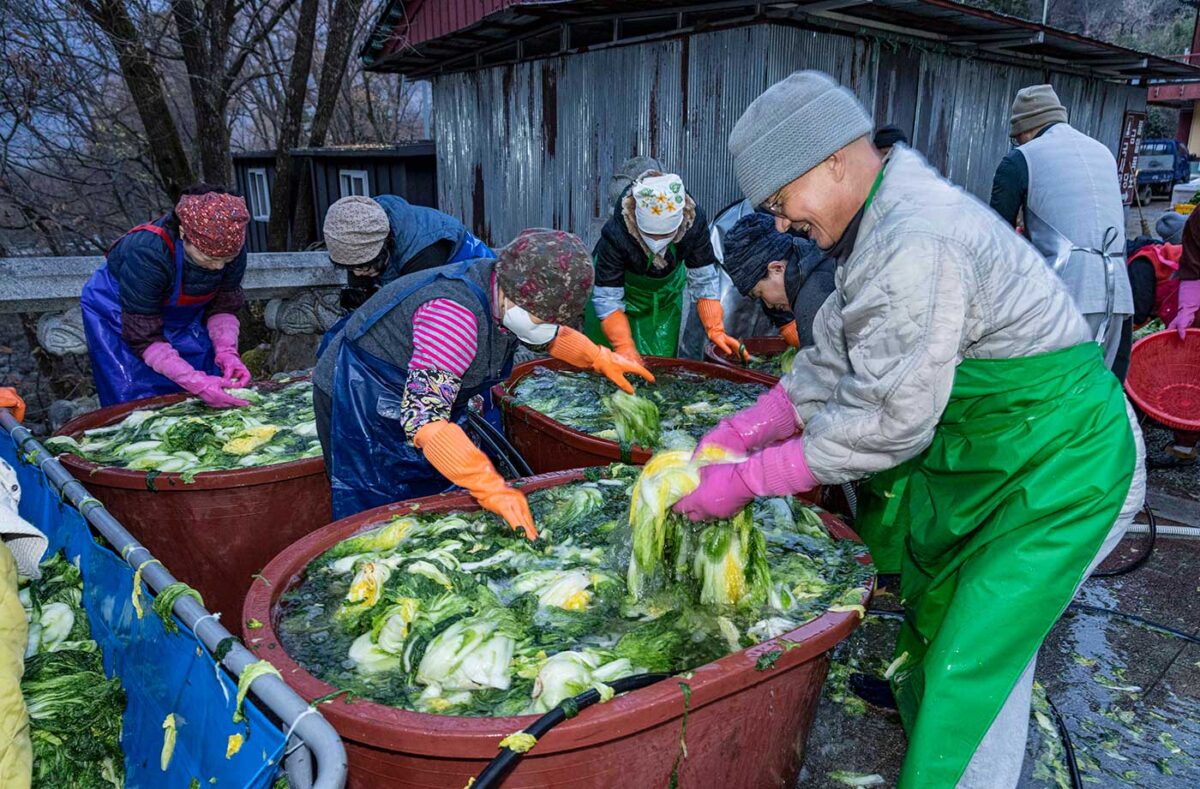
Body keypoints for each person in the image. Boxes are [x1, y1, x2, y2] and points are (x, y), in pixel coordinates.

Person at [674, 70, 1145, 788]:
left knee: (978, 666)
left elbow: (884, 421)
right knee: (941, 603)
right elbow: (833, 351)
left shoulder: (913, 237)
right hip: (1012, 453)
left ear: (831, 159)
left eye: (780, 201)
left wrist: (747, 481)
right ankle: (917, 709)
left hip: (1069, 470)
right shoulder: (877, 222)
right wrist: (745, 428)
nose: (778, 224)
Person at [313, 229, 654, 528]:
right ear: (507, 289)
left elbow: (546, 334)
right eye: (538, 317)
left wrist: (599, 358)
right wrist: (488, 484)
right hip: (362, 387)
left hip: (413, 382)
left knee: (436, 483)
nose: (545, 326)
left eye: (553, 319)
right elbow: (426, 420)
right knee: (379, 501)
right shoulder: (454, 319)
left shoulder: (507, 292)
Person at [990, 84, 1133, 370]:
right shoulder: (1102, 152)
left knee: (1052, 397)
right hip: (1119, 296)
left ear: (1026, 130)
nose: (1018, 144)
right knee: (1101, 398)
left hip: (1066, 298)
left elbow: (995, 243)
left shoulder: (1022, 158)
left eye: (1017, 138)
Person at [81, 187, 253, 408]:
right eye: (208, 257)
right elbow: (143, 336)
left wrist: (227, 351)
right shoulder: (148, 253)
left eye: (226, 259)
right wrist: (195, 383)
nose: (218, 266)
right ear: (183, 233)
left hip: (181, 316)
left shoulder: (232, 246)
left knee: (208, 380)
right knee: (138, 398)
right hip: (121, 316)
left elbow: (223, 307)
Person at [584, 170, 744, 363]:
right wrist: (623, 345)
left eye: (665, 235)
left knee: (660, 363)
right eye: (650, 235)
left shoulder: (692, 222)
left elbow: (704, 278)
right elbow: (608, 299)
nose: (658, 243)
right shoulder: (617, 233)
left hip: (663, 297)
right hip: (620, 299)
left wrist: (714, 328)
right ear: (636, 221)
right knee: (608, 362)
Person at [323, 195, 494, 312]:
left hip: (477, 287)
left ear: (384, 247)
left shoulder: (424, 252)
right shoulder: (358, 228)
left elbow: (407, 308)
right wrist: (358, 293)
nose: (357, 273)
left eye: (362, 267)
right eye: (351, 268)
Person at [718, 212, 836, 348]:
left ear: (777, 268)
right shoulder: (821, 259)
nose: (768, 306)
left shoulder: (812, 302)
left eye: (759, 293)